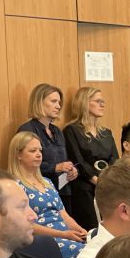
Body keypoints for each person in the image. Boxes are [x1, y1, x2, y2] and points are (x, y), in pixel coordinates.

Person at [8, 131, 86, 258]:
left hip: (66, 235)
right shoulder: (14, 185)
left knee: (98, 247)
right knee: (86, 255)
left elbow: (64, 215)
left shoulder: (47, 182)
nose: (39, 154)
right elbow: (24, 225)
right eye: (32, 151)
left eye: (40, 150)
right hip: (43, 241)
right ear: (18, 154)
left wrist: (81, 231)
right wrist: (64, 234)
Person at [63, 86, 118, 230]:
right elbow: (77, 160)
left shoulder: (106, 132)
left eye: (103, 101)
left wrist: (107, 182)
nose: (102, 104)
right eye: (98, 101)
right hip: (84, 188)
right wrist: (97, 181)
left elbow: (115, 159)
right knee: (92, 229)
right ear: (84, 103)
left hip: (107, 187)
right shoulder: (72, 130)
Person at [17, 83, 78, 213]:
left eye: (59, 102)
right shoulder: (27, 129)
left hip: (63, 191)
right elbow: (26, 163)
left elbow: (65, 159)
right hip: (39, 192)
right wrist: (55, 167)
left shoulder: (57, 131)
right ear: (39, 102)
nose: (58, 106)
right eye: (54, 101)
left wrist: (72, 170)